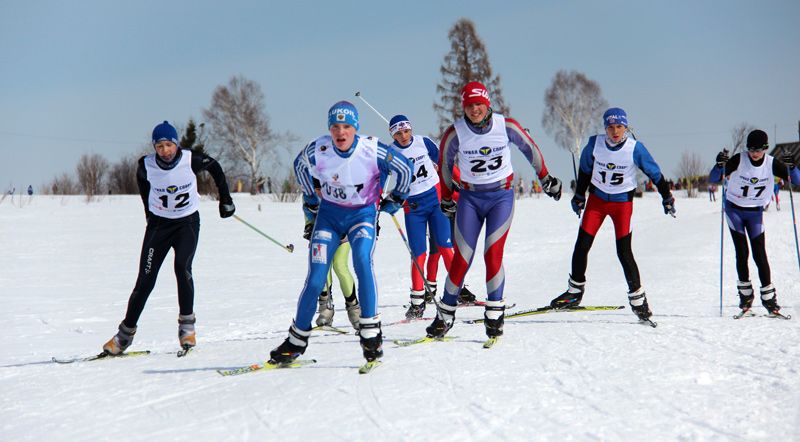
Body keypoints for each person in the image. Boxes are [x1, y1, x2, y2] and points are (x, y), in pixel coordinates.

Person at [270, 101, 412, 365]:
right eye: (335, 126)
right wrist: (310, 196)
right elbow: (299, 165)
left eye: (346, 126)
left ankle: (370, 334)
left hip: (362, 216)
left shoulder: (371, 148)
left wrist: (397, 198)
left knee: (362, 261)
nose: (340, 132)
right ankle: (296, 341)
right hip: (329, 218)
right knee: (316, 278)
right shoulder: (319, 148)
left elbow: (404, 168)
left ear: (355, 128)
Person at [427, 81, 563, 340]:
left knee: (492, 253)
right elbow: (444, 163)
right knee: (462, 258)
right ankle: (445, 315)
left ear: (487, 104)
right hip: (470, 199)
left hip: (501, 197)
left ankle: (494, 313)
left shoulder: (505, 126)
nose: (474, 110)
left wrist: (545, 178)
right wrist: (445, 196)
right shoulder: (455, 132)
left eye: (479, 104)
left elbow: (530, 148)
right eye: (469, 105)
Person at [102, 121, 235, 355]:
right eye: (160, 146)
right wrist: (149, 216)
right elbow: (144, 191)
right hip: (159, 227)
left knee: (182, 268)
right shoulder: (146, 165)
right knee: (145, 280)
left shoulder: (191, 159)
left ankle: (187, 328)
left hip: (187, 224)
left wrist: (225, 199)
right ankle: (124, 335)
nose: (165, 151)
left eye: (169, 145)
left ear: (176, 144)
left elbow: (215, 167)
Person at [549, 108, 675, 322]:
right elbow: (585, 170)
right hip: (597, 202)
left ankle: (638, 301)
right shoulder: (594, 144)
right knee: (582, 245)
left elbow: (654, 173)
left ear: (626, 127)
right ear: (605, 128)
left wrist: (667, 197)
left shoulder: (635, 148)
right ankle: (574, 292)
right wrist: (579, 196)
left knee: (624, 252)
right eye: (610, 127)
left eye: (619, 127)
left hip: (621, 205)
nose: (615, 131)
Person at [709, 129, 799, 315]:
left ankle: (769, 300)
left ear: (765, 148)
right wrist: (719, 165)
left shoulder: (771, 163)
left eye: (758, 150)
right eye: (751, 149)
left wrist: (792, 167)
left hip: (755, 212)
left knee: (760, 253)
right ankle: (745, 298)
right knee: (742, 252)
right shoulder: (739, 160)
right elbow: (714, 179)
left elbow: (797, 180)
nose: (754, 153)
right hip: (734, 210)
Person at [387, 115, 455, 319]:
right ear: (392, 135)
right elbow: (380, 177)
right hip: (413, 207)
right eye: (398, 133)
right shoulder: (390, 153)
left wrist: (457, 183)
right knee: (418, 254)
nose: (403, 136)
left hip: (435, 201)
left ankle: (456, 290)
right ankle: (417, 303)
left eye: (406, 131)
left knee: (445, 247)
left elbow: (444, 162)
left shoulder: (423, 142)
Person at [300, 185, 360, 330]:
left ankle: (354, 309)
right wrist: (309, 227)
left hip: (342, 233)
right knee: (323, 269)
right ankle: (326, 308)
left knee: (340, 265)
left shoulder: (336, 186)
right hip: (321, 233)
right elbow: (307, 212)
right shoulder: (309, 193)